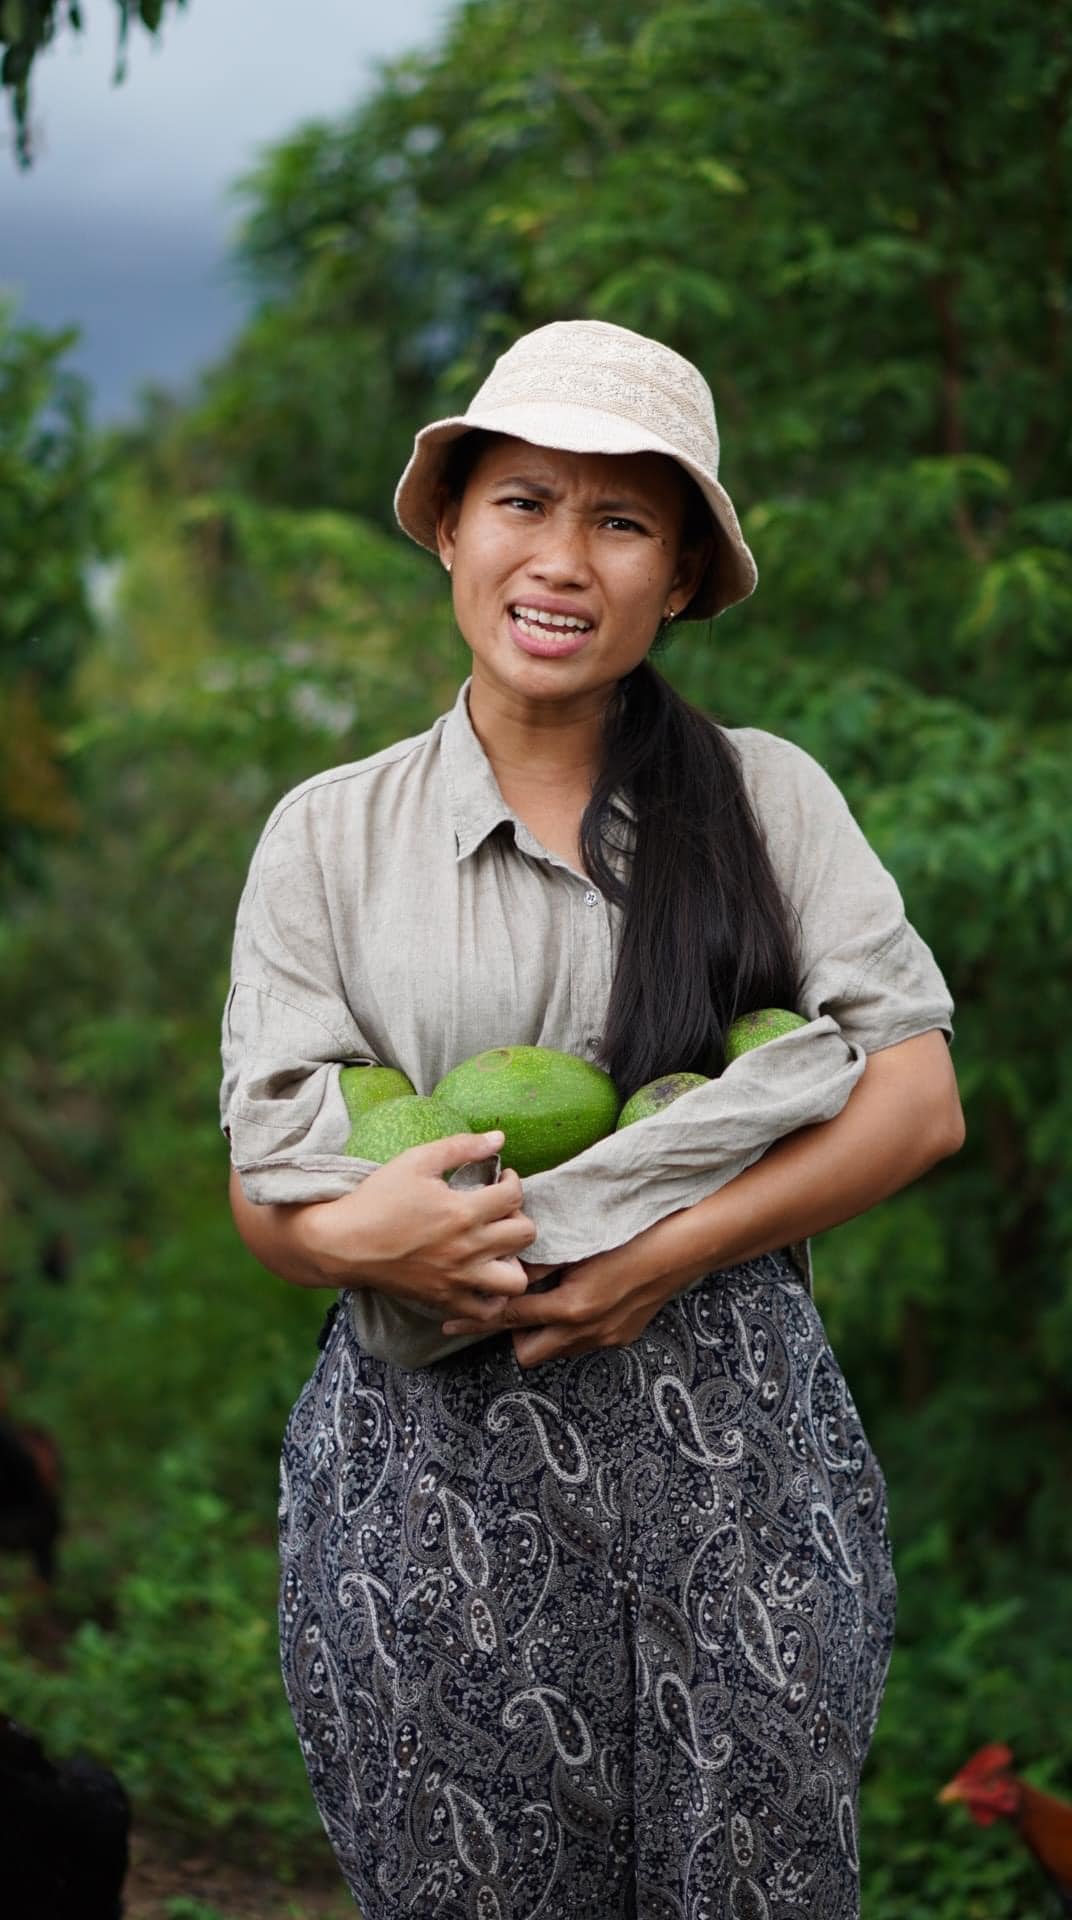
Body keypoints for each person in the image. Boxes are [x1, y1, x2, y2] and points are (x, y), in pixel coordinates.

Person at [220, 319, 964, 1919]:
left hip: (737, 1477)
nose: (564, 560)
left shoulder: (767, 798)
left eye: (622, 522)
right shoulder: (329, 838)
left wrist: (658, 1254)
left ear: (683, 575)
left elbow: (915, 1102)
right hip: (432, 1489)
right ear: (450, 524)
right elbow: (271, 1189)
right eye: (525, 504)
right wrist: (374, 1234)